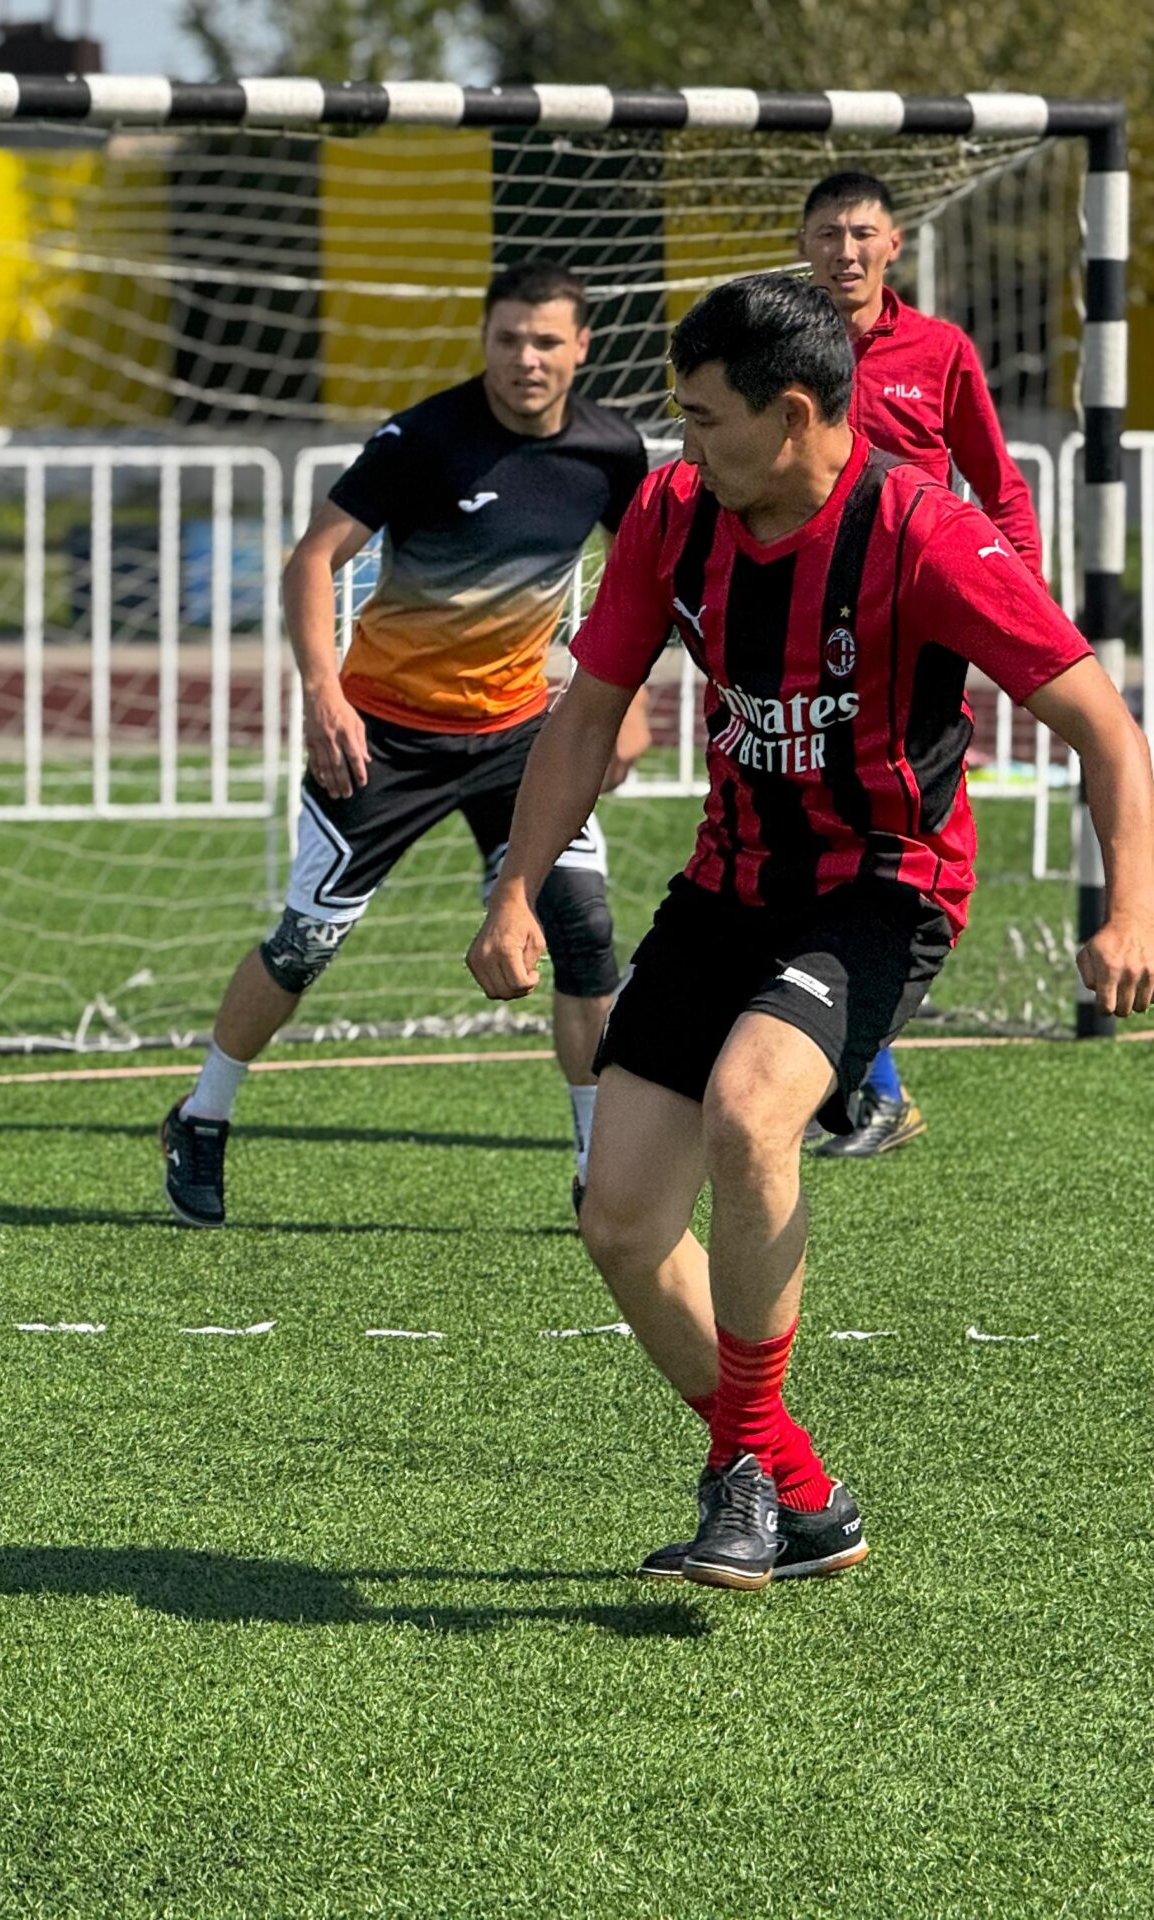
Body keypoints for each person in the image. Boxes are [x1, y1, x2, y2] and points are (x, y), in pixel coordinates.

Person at [468, 274, 1152, 1590]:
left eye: (702, 417)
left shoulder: (924, 532)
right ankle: (796, 1493)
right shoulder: (674, 513)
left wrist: (1133, 908)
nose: (681, 444)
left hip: (883, 888)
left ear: (791, 417)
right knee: (617, 1220)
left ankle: (736, 1477)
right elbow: (587, 712)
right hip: (728, 884)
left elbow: (1105, 729)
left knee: (750, 1109)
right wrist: (516, 888)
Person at [162, 259, 650, 1229]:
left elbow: (639, 573)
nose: (525, 359)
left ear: (581, 347)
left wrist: (624, 698)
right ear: (484, 339)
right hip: (381, 738)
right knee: (304, 945)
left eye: (546, 341)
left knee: (584, 931)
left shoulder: (610, 450)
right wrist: (322, 693)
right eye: (507, 339)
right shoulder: (423, 438)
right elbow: (312, 560)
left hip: (520, 737)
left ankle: (596, 1161)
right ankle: (202, 1114)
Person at [795, 168, 1050, 1157]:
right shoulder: (783, 346)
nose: (845, 250)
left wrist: (1015, 603)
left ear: (893, 244)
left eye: (861, 233)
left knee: (904, 834)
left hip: (917, 622)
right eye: (828, 233)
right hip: (804, 620)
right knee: (800, 828)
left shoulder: (939, 351)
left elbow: (997, 484)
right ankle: (854, 1074)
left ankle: (867, 1078)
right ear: (805, 245)